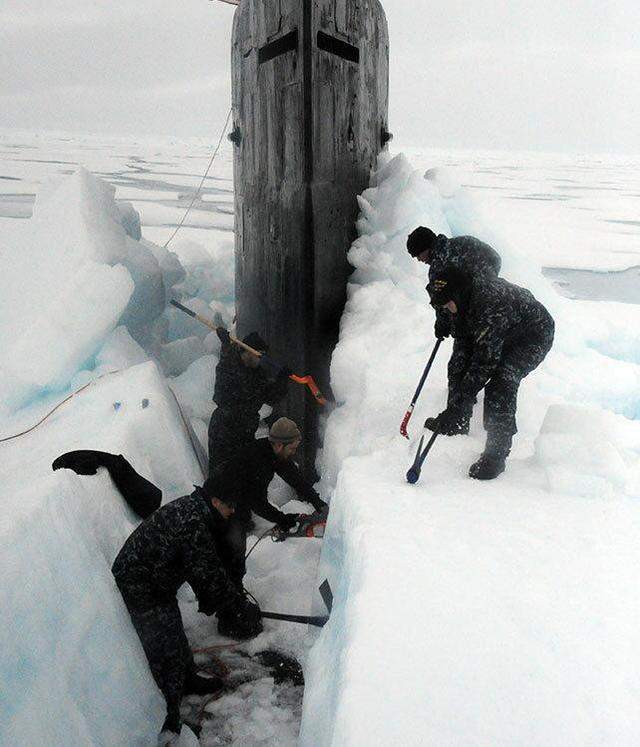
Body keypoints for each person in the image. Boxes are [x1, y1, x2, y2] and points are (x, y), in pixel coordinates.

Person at [111, 483, 262, 742]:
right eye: (230, 506)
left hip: (158, 578)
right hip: (139, 582)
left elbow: (204, 567)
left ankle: (188, 679)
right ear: (215, 501)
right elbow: (208, 575)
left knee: (175, 633)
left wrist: (231, 599)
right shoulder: (193, 523)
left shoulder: (197, 509)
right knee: (164, 645)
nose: (232, 511)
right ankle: (169, 714)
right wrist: (239, 606)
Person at [425, 267, 554, 480]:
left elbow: (484, 363)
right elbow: (450, 311)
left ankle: (496, 455)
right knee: (458, 365)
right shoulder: (459, 294)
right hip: (501, 327)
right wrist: (444, 321)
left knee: (501, 383)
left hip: (532, 335)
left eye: (448, 305)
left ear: (458, 295)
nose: (447, 309)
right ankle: (457, 421)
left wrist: (461, 399)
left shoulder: (491, 305)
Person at [205, 416, 328, 632]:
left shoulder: (274, 454)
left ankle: (233, 602)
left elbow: (295, 478)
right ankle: (230, 619)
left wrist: (318, 503)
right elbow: (258, 503)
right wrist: (282, 518)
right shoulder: (258, 460)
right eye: (292, 448)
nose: (294, 452)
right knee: (232, 558)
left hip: (236, 501)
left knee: (234, 556)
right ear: (279, 444)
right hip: (218, 506)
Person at [208, 329, 290, 476]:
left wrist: (282, 381)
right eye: (260, 354)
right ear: (248, 351)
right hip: (225, 430)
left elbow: (272, 397)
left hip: (245, 432)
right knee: (221, 476)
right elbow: (226, 369)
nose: (262, 359)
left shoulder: (258, 375)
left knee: (243, 476)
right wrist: (226, 344)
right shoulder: (231, 367)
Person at [406, 226, 502, 339]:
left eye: (418, 254)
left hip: (477, 316)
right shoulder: (466, 241)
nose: (419, 259)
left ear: (426, 247)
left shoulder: (437, 269)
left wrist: (442, 324)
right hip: (495, 303)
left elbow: (442, 300)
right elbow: (496, 258)